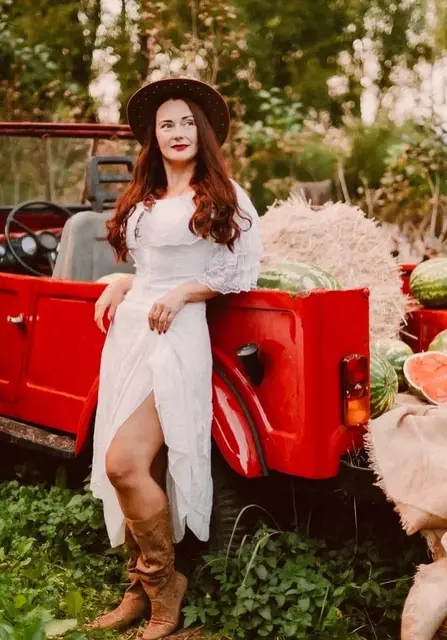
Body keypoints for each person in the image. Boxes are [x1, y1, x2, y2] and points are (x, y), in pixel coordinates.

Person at [86, 77, 263, 639]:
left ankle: (165, 586)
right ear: (153, 137)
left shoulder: (222, 195)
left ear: (202, 132)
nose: (178, 132)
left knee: (123, 463)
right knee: (135, 466)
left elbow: (238, 272)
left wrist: (185, 292)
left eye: (188, 122)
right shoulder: (146, 196)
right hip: (131, 332)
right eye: (167, 124)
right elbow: (150, 265)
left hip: (174, 333)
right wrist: (123, 280)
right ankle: (139, 588)